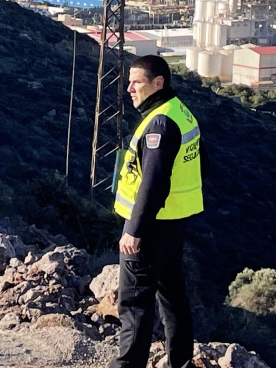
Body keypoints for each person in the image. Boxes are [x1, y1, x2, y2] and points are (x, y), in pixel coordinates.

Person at [111, 54, 203, 368]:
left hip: (151, 227)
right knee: (173, 297)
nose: (129, 88)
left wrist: (134, 230)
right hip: (175, 222)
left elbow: (154, 184)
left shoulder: (160, 123)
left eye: (137, 82)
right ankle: (180, 361)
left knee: (135, 303)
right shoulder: (181, 113)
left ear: (158, 83)